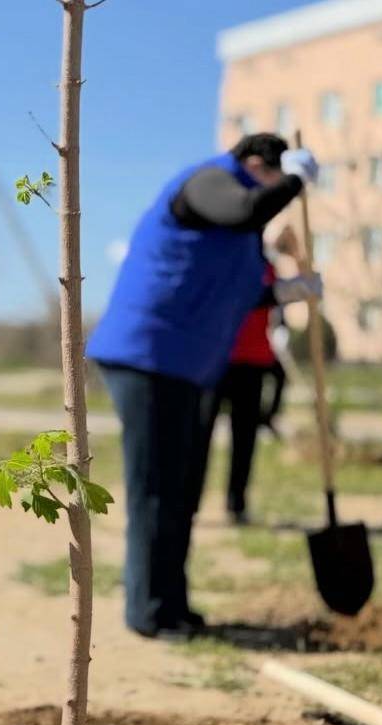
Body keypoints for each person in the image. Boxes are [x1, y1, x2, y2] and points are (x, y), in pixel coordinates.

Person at [86, 133, 322, 640]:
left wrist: (282, 292)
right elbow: (244, 210)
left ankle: (174, 606)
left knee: (183, 488)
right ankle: (149, 612)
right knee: (156, 488)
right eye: (277, 179)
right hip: (147, 354)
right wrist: (297, 181)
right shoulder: (210, 182)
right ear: (258, 165)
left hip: (188, 363)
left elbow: (235, 288)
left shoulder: (240, 232)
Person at [189, 262, 286, 527]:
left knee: (245, 438)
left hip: (254, 361)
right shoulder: (220, 258)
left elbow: (278, 315)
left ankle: (237, 503)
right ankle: (190, 502)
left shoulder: (267, 267)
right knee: (200, 434)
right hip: (216, 358)